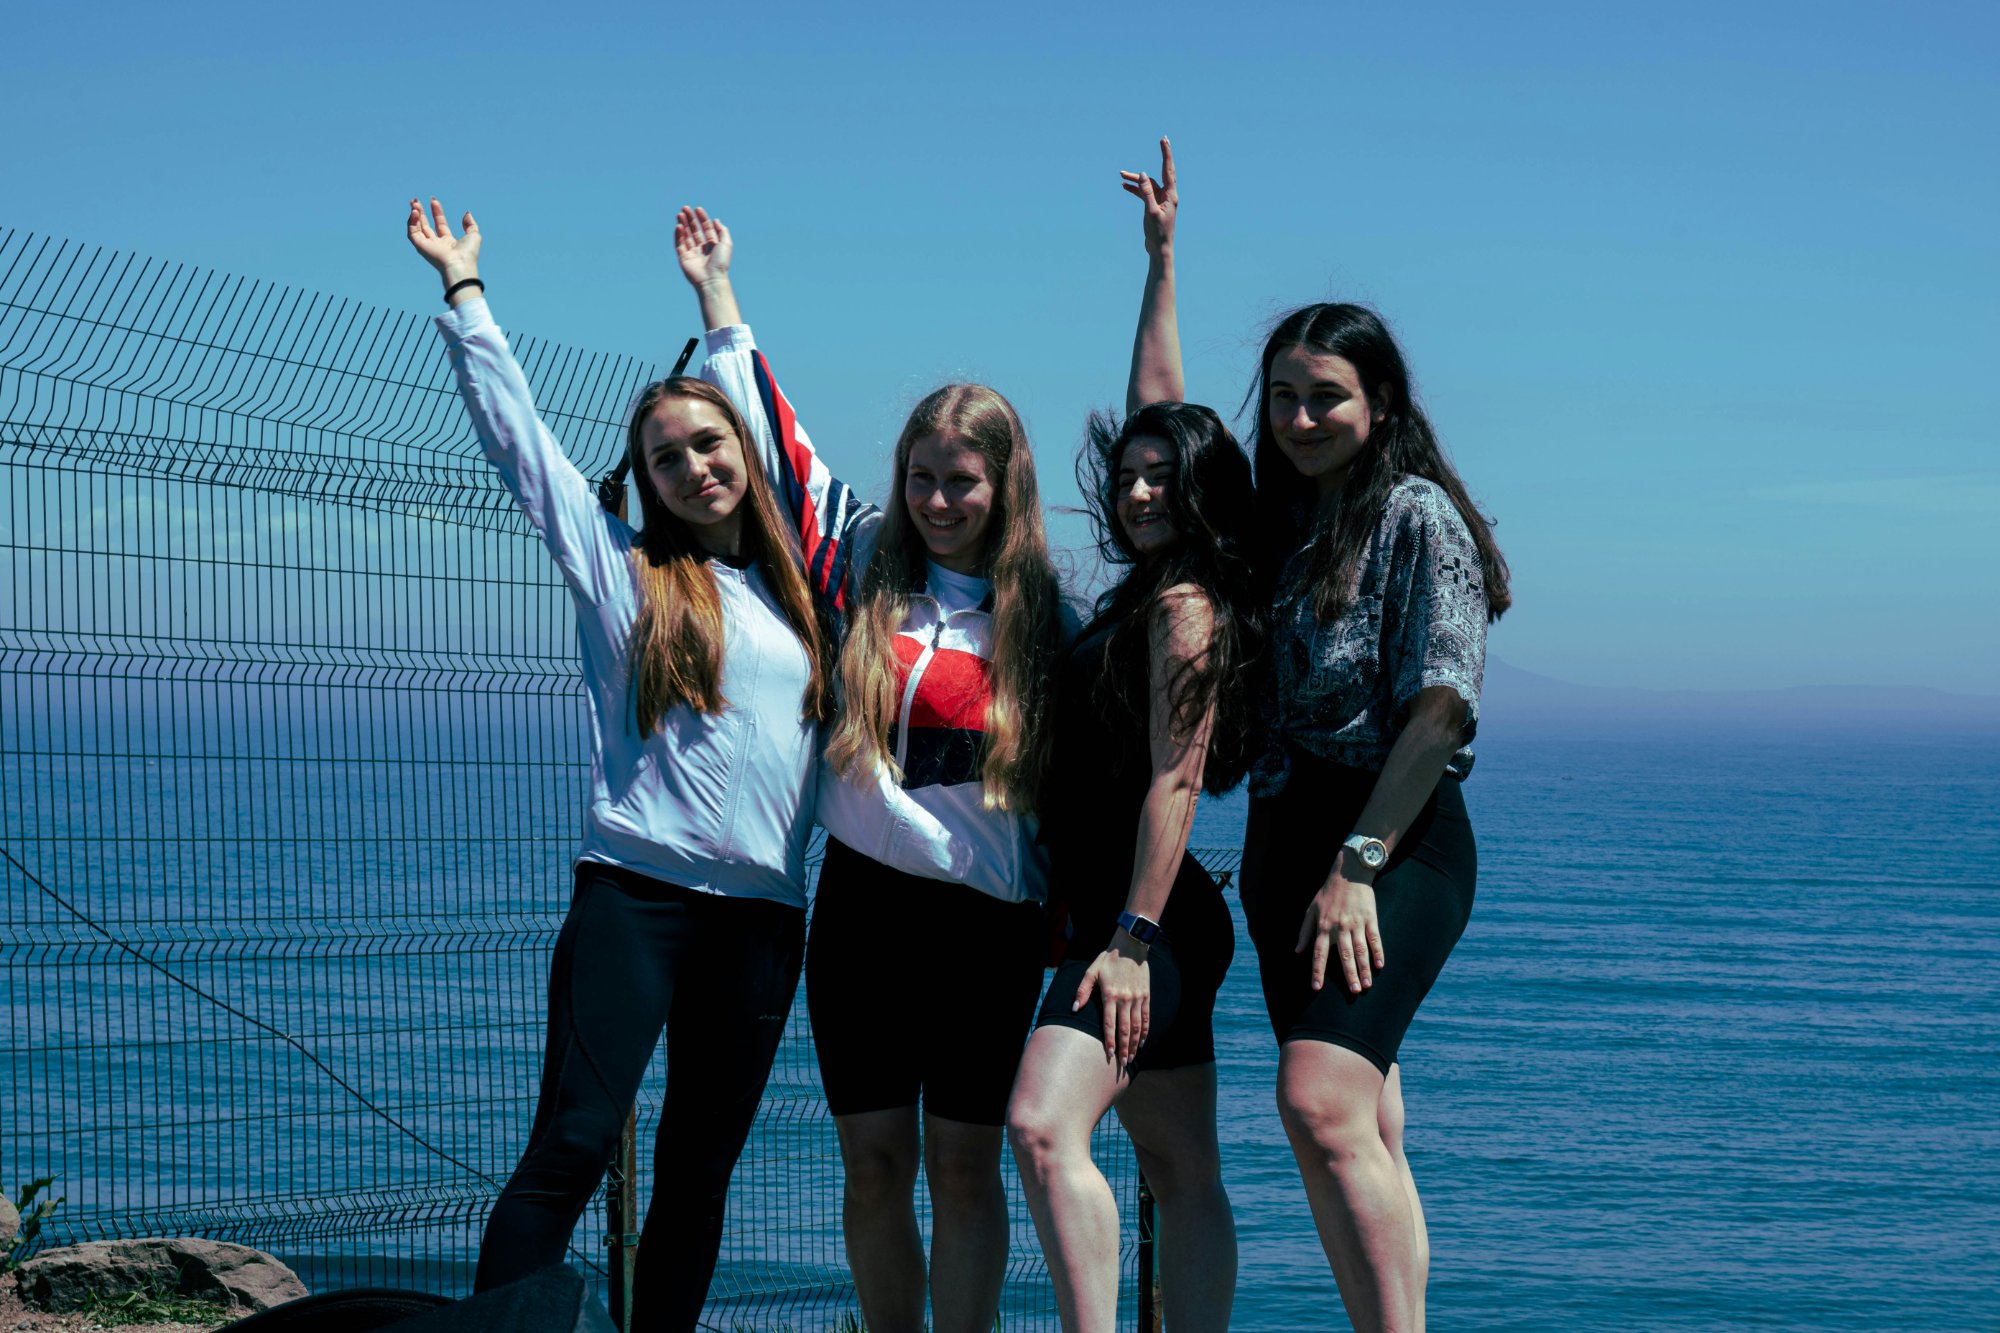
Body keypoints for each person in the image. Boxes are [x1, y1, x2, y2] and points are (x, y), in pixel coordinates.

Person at [404, 198, 835, 1332]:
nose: (693, 466)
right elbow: (523, 451)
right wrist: (465, 292)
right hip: (634, 902)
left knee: (698, 1175)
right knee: (575, 1142)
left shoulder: (805, 596)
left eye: (709, 445)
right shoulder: (626, 577)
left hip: (762, 922)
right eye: (665, 457)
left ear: (743, 453)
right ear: (643, 478)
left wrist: (718, 295)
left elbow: (761, 407)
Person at [670, 209, 1067, 1333]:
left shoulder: (1050, 622)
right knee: (876, 1163)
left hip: (987, 928)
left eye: (962, 481)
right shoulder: (857, 563)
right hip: (861, 918)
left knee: (964, 1168)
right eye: (921, 476)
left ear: (1005, 485)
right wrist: (717, 295)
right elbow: (776, 444)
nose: (938, 500)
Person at [1006, 138, 1253, 1333]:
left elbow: (1176, 777)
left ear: (1200, 488)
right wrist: (1159, 263)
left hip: (1142, 921)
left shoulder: (1184, 607)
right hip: (1142, 915)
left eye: (1163, 477)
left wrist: (1132, 940)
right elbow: (1160, 403)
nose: (1139, 488)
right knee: (1177, 1166)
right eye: (1129, 474)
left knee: (1040, 1123)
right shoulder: (1155, 586)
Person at [1237, 266, 1513, 1323]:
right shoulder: (1276, 521)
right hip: (1281, 848)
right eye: (1283, 397)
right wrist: (1159, 272)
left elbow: (1441, 710)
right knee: (1361, 1121)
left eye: (1327, 397)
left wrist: (1356, 866)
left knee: (1318, 1099)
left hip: (1390, 837)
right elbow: (1156, 426)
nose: (1301, 419)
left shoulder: (1415, 515)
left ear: (1380, 403)